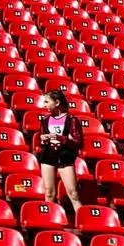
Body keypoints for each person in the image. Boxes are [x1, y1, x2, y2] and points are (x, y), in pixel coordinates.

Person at [33, 89, 85, 220]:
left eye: (46, 102)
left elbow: (79, 142)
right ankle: (49, 220)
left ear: (56, 102)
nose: (44, 105)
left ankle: (82, 220)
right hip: (49, 155)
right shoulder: (45, 120)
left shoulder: (72, 120)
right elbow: (41, 139)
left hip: (65, 156)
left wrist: (61, 138)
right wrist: (43, 139)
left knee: (73, 193)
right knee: (49, 192)